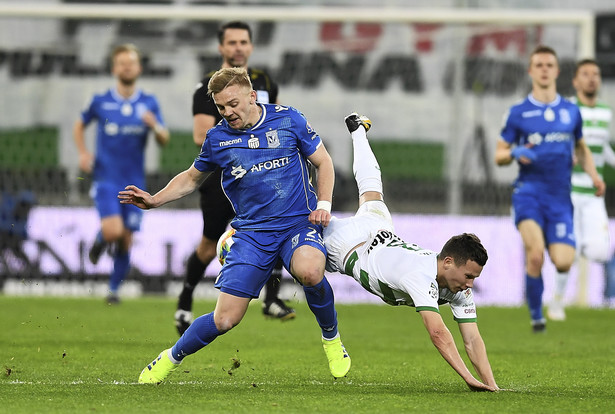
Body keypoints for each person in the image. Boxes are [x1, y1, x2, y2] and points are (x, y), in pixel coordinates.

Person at [119, 67, 350, 383]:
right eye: (221, 108)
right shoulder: (218, 138)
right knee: (225, 319)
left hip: (297, 224)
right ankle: (169, 358)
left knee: (310, 271)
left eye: (233, 104)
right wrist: (155, 200)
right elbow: (191, 177)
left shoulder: (289, 119)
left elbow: (323, 162)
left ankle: (332, 339)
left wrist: (323, 205)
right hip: (252, 234)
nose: (228, 113)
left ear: (252, 96)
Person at [317, 113, 498, 392]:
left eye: (473, 278)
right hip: (348, 246)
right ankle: (238, 234)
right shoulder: (421, 276)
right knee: (297, 233)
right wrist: (468, 379)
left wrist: (492, 385)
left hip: (380, 228)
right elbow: (438, 333)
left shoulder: (458, 287)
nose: (471, 284)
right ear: (448, 262)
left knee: (372, 190)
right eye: (468, 275)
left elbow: (472, 339)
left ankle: (358, 132)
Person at [175, 20, 293, 336]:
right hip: (223, 177)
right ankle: (185, 300)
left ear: (251, 46)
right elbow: (201, 135)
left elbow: (276, 123)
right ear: (221, 48)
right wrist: (240, 141)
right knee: (208, 243)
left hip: (266, 174)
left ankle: (271, 299)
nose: (238, 48)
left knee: (278, 226)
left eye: (243, 42)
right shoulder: (207, 87)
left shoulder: (264, 81)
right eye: (232, 43)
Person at [495, 45, 605, 333]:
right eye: (539, 65)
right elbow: (499, 155)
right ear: (531, 71)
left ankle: (545, 297)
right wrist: (516, 152)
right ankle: (536, 316)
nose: (544, 69)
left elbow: (581, 148)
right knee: (535, 254)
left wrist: (594, 175)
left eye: (549, 65)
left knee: (564, 262)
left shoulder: (571, 112)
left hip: (559, 199)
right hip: (528, 193)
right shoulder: (518, 113)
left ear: (557, 71)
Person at [73, 43, 170, 304]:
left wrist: (156, 127)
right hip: (106, 178)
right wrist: (83, 153)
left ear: (139, 67)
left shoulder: (148, 102)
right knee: (114, 231)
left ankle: (113, 291)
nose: (127, 66)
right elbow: (79, 125)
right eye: (122, 62)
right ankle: (99, 240)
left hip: (135, 180)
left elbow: (164, 138)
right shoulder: (100, 100)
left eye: (132, 62)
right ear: (115, 68)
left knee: (127, 237)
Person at [550, 58, 615, 317]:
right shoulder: (566, 109)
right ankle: (556, 302)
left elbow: (603, 149)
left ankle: (570, 245)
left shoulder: (605, 112)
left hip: (594, 195)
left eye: (595, 74)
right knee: (569, 255)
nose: (591, 78)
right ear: (576, 81)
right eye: (586, 74)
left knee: (600, 251)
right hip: (569, 193)